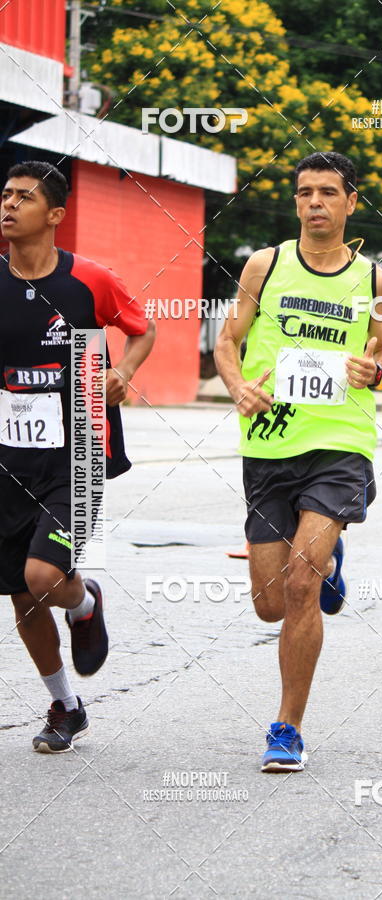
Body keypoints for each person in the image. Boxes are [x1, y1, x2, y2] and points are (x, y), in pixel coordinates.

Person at [215, 151, 382, 772]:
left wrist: (375, 368)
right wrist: (238, 387)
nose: (314, 202)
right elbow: (226, 340)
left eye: (327, 192)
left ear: (350, 203)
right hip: (269, 444)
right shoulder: (265, 266)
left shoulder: (373, 280)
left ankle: (287, 728)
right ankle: (326, 559)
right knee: (269, 600)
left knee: (299, 582)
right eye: (304, 192)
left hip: (341, 441)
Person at [0, 161, 156, 752]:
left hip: (80, 452)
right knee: (21, 593)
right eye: (5, 196)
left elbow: (142, 330)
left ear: (56, 215)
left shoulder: (89, 280)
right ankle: (65, 704)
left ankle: (86, 601)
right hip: (8, 458)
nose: (9, 205)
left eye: (24, 198)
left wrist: (122, 371)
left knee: (43, 577)